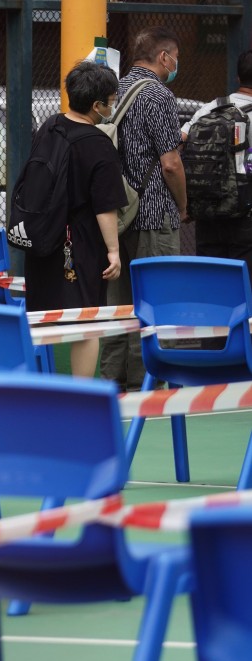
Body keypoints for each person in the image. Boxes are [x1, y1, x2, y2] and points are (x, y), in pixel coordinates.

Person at [25, 61, 125, 378]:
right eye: (111, 100)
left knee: (42, 316)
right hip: (79, 243)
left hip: (41, 236)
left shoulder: (49, 127)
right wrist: (113, 251)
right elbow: (105, 207)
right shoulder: (98, 144)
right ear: (97, 105)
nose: (113, 104)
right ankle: (80, 394)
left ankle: (41, 388)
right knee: (87, 320)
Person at [100, 26, 186, 392]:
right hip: (153, 213)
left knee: (118, 303)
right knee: (153, 300)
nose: (176, 64)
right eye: (176, 58)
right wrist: (183, 205)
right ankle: (144, 382)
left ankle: (111, 378)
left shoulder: (111, 90)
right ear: (164, 57)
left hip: (116, 214)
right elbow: (170, 164)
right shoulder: (159, 95)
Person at [181, 49, 252, 273]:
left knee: (211, 280)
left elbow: (179, 142)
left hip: (208, 212)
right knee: (244, 288)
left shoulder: (210, 107)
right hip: (246, 216)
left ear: (238, 77)